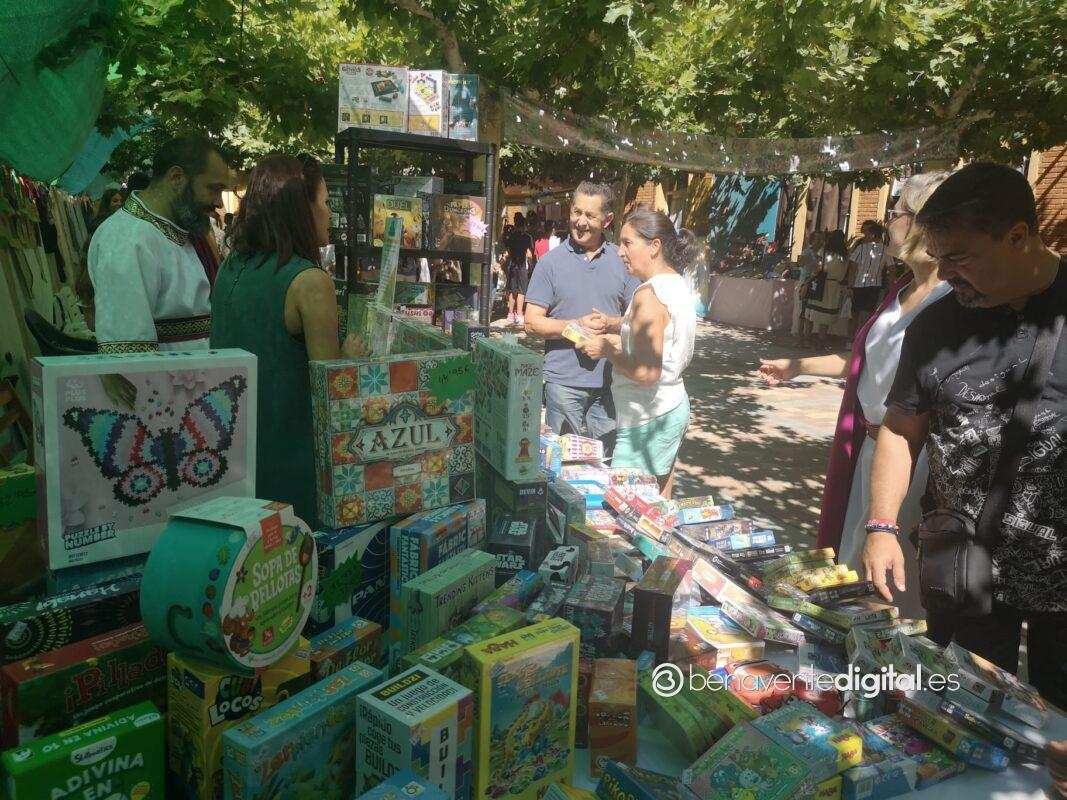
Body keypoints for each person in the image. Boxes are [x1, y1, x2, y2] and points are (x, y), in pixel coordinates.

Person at [861, 163, 1066, 720]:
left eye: (960, 257)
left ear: (1018, 237)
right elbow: (901, 429)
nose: (946, 274)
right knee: (961, 714)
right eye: (939, 257)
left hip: (1061, 574)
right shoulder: (936, 326)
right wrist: (881, 526)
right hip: (964, 569)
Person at [757, 172, 952, 617]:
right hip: (871, 450)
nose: (889, 221)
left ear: (922, 222)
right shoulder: (901, 291)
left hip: (914, 461)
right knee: (853, 567)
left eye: (897, 212)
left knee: (888, 584)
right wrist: (797, 367)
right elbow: (862, 362)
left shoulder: (950, 301)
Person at [211, 154, 362, 528]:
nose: (329, 213)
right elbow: (329, 389)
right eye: (324, 202)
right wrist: (351, 355)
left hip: (236, 455)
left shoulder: (232, 266)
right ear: (301, 209)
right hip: (292, 464)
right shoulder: (309, 281)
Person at [576, 208, 698, 497]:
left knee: (624, 505)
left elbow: (646, 372)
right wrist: (616, 328)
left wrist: (607, 349)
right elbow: (660, 339)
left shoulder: (649, 294)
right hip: (667, 408)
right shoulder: (675, 284)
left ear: (654, 246)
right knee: (658, 500)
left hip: (648, 418)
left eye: (628, 243)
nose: (620, 251)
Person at [525, 181, 640, 450]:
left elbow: (637, 320)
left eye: (590, 215)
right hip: (563, 384)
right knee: (560, 460)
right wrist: (575, 326)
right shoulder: (550, 263)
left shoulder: (622, 261)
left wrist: (610, 323)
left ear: (607, 220)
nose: (581, 221)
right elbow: (531, 322)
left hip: (611, 382)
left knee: (607, 459)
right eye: (577, 212)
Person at [89, 135, 230, 352]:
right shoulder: (126, 239)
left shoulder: (179, 229)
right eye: (213, 189)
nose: (219, 202)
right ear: (176, 178)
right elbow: (129, 355)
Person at [845, 220, 894, 334]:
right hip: (875, 285)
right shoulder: (886, 250)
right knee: (867, 313)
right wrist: (891, 286)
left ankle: (852, 338)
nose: (864, 236)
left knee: (855, 313)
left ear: (872, 235)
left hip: (858, 285)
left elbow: (852, 268)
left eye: (866, 233)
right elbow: (892, 269)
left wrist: (850, 286)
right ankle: (861, 336)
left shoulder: (860, 248)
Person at [802, 230, 849, 341]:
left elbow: (817, 269)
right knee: (826, 316)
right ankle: (821, 341)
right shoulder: (845, 255)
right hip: (834, 287)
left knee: (811, 314)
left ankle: (806, 339)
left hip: (820, 284)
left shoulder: (824, 252)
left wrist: (808, 281)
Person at [504, 213, 535, 325]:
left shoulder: (511, 236)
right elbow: (529, 254)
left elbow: (507, 251)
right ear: (524, 225)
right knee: (522, 290)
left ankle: (510, 314)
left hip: (512, 265)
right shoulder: (527, 237)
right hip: (522, 266)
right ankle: (519, 314)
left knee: (513, 290)